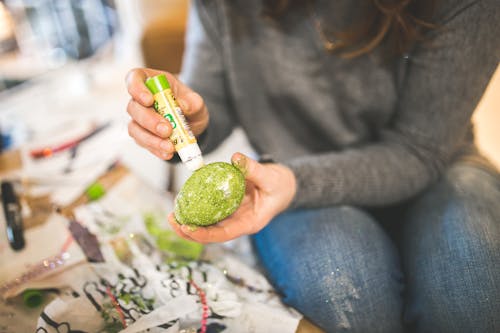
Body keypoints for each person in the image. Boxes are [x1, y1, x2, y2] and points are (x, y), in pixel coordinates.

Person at [125, 0, 500, 331]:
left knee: (473, 282)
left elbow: (419, 148)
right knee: (348, 291)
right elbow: (214, 101)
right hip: (290, 176)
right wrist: (188, 122)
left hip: (432, 163)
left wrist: (293, 182)